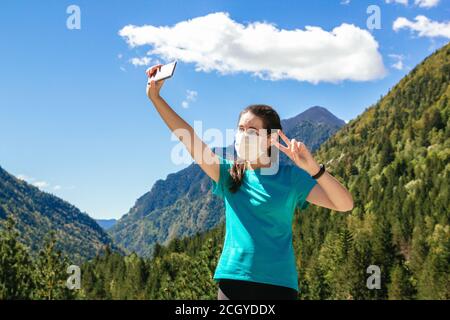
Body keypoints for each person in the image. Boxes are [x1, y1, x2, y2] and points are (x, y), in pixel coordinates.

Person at [146, 64, 354, 300]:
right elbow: (187, 135)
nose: (244, 134)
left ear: (270, 138)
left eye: (252, 129)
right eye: (241, 128)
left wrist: (314, 169)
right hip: (234, 282)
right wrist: (155, 97)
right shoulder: (228, 173)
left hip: (280, 285)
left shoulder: (291, 178)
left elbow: (345, 204)